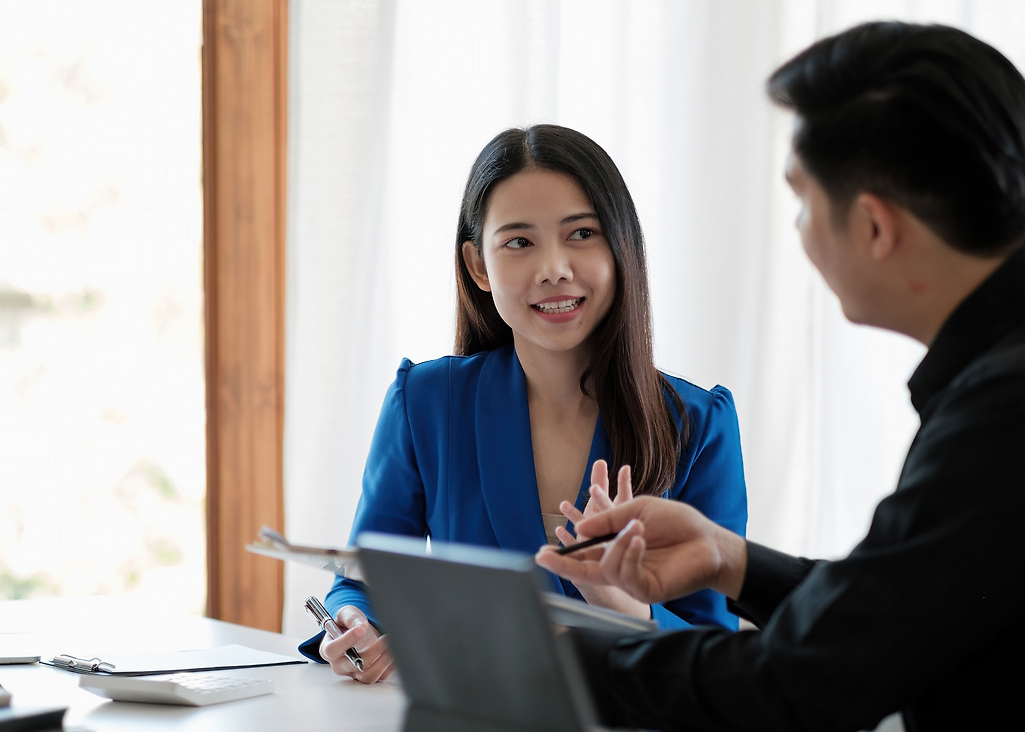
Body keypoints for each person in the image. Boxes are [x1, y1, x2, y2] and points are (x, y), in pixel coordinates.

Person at [536, 21, 1025, 732]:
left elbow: (804, 682)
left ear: (873, 226)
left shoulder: (1022, 403)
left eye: (801, 202)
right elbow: (908, 607)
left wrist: (548, 661)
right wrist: (730, 559)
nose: (800, 232)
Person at [303, 124, 749, 682]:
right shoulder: (425, 403)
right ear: (478, 266)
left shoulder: (698, 425)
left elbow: (716, 654)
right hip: (472, 717)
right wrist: (356, 624)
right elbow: (364, 579)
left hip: (624, 726)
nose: (554, 268)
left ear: (621, 248)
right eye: (519, 242)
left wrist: (621, 604)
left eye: (581, 233)